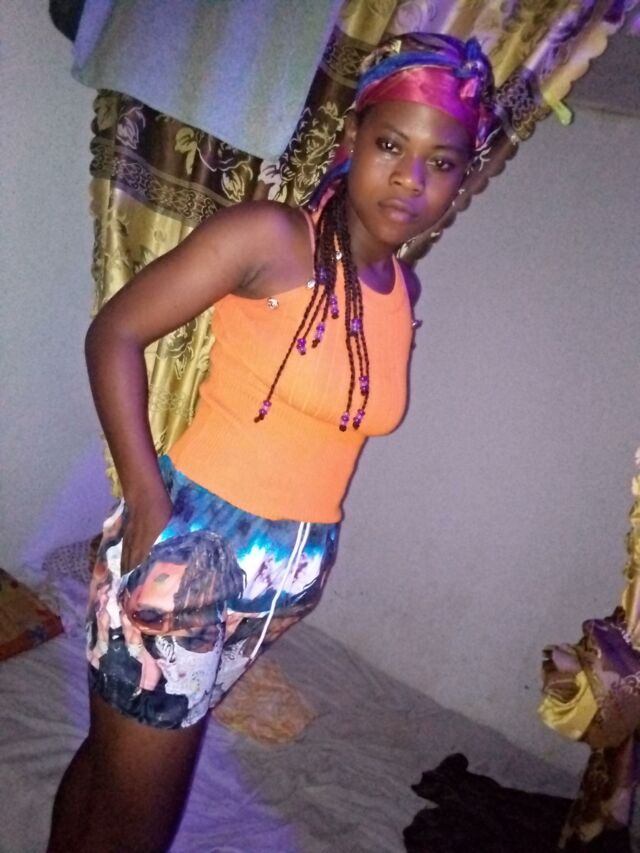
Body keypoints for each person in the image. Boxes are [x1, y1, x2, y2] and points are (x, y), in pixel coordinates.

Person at [48, 32, 501, 853]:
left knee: (117, 763)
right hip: (187, 559)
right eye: (391, 146)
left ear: (462, 179)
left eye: (441, 162)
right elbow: (115, 332)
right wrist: (147, 499)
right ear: (352, 138)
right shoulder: (271, 237)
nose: (411, 177)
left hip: (271, 590)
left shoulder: (401, 289)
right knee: (140, 820)